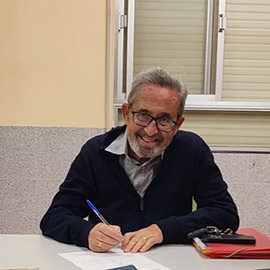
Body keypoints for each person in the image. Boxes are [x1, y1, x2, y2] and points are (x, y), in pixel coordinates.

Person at [40, 68, 239, 253]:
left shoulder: (192, 150)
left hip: (172, 260)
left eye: (164, 120)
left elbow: (224, 213)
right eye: (143, 115)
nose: (151, 131)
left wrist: (162, 230)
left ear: (177, 124)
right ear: (126, 113)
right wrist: (87, 233)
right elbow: (54, 217)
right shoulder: (95, 152)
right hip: (110, 260)